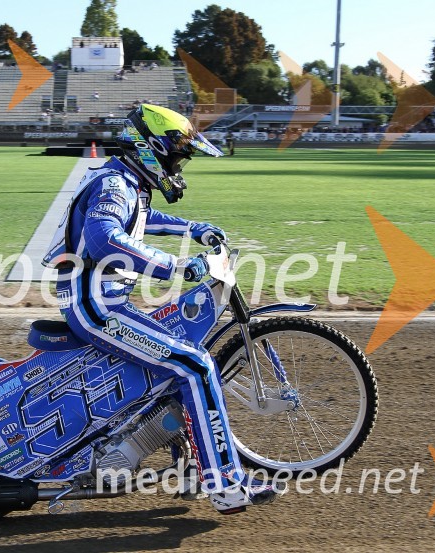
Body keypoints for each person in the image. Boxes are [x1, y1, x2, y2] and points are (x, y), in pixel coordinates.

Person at [43, 104, 280, 514]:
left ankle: (188, 467)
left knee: (175, 363)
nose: (179, 167)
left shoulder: (127, 182)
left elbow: (142, 219)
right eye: (177, 158)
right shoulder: (114, 185)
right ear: (150, 148)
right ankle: (225, 485)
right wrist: (177, 266)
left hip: (104, 302)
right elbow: (104, 239)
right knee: (195, 366)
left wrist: (193, 228)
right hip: (95, 307)